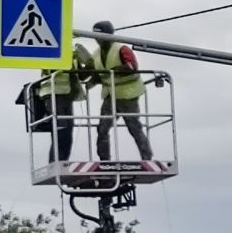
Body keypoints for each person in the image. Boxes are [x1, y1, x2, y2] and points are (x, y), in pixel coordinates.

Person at [91, 21, 153, 161]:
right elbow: (97, 75)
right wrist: (90, 81)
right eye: (94, 35)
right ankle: (104, 160)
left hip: (128, 95)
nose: (96, 38)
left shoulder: (121, 48)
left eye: (99, 35)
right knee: (102, 129)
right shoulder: (96, 54)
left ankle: (146, 157)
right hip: (110, 96)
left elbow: (132, 66)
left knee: (134, 127)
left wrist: (114, 71)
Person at [37, 43, 93, 163]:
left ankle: (63, 162)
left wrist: (88, 63)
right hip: (53, 93)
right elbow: (49, 70)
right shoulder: (50, 48)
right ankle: (55, 163)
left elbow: (82, 74)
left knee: (67, 133)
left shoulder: (73, 51)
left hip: (67, 95)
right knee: (60, 130)